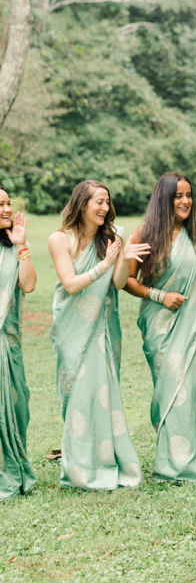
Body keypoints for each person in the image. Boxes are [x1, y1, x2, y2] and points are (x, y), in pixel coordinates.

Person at [125, 173, 196, 482]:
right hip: (159, 323)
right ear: (164, 199)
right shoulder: (144, 233)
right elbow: (127, 281)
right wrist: (159, 295)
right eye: (177, 196)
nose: (185, 201)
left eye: (188, 195)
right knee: (170, 388)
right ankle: (171, 463)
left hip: (192, 321)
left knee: (192, 389)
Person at [48, 180, 148, 490]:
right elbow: (71, 284)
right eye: (98, 202)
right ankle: (80, 467)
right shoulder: (59, 239)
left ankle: (105, 459)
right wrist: (105, 262)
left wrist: (123, 259)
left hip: (105, 325)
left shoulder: (113, 237)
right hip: (73, 325)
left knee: (102, 393)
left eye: (107, 202)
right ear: (82, 204)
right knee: (77, 392)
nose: (105, 207)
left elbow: (118, 284)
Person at [0, 187, 37, 500]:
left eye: (9, 203)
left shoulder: (12, 246)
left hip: (8, 343)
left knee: (16, 404)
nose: (7, 209)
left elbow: (29, 284)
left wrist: (22, 247)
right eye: (0, 204)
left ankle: (14, 466)